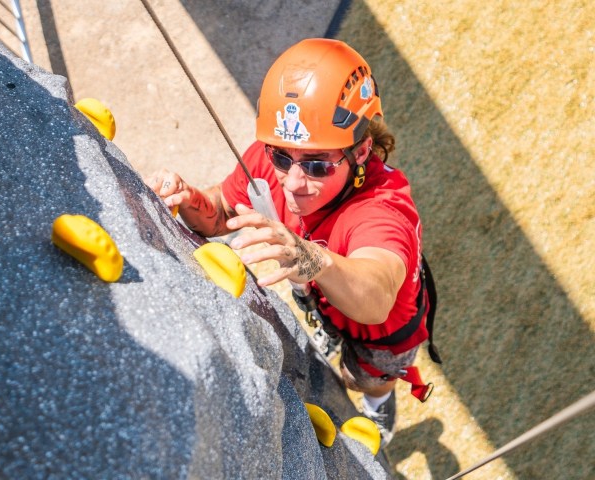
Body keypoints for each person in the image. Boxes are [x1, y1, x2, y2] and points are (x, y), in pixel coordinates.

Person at [146, 38, 435, 447]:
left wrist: (311, 258)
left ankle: (380, 401)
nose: (293, 181)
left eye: (317, 164)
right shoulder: (281, 154)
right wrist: (189, 198)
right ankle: (330, 331)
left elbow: (377, 296)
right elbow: (222, 212)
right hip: (320, 293)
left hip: (380, 333)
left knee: (358, 377)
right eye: (282, 158)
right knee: (316, 313)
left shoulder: (381, 210)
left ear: (362, 149)